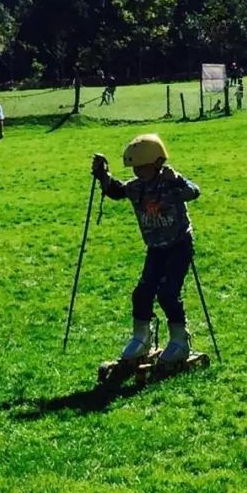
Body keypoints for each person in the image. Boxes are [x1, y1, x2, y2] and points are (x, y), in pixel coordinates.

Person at [91, 133, 201, 365]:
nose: (138, 173)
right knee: (142, 293)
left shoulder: (171, 181)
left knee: (168, 292)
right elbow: (116, 191)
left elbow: (193, 191)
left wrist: (179, 182)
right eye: (135, 169)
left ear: (158, 163)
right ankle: (142, 338)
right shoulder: (136, 187)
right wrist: (103, 175)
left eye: (143, 168)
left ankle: (180, 341)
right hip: (155, 249)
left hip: (178, 245)